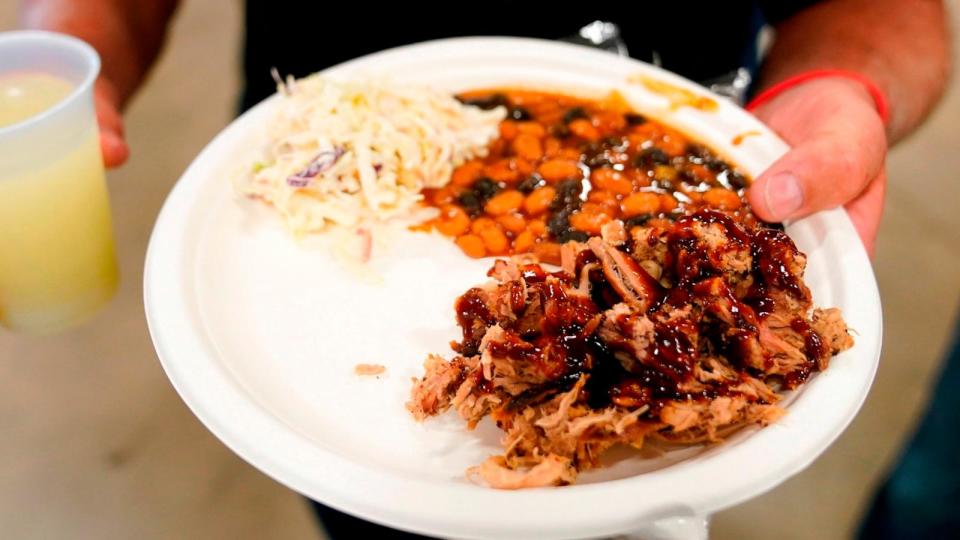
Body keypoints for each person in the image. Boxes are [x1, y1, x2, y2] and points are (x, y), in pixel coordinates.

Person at [19, 0, 949, 538]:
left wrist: (840, 93)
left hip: (713, 141)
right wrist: (70, 47)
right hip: (320, 148)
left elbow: (890, 15)